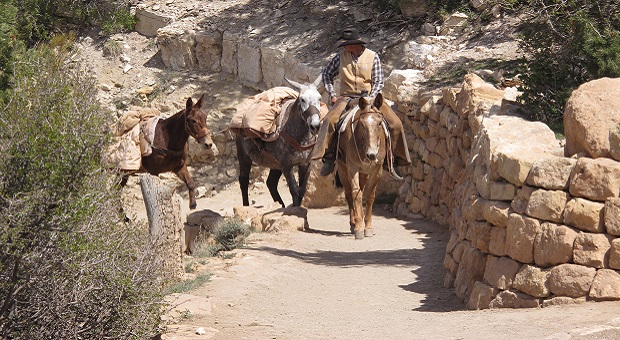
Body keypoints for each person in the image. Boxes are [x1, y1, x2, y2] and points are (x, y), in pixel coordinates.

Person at [318, 26, 411, 179]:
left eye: (345, 44)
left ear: (355, 44)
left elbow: (378, 81)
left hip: (370, 98)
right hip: (346, 98)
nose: (344, 47)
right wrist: (332, 94)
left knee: (395, 123)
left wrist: (371, 99)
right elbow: (327, 74)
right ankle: (329, 157)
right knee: (329, 120)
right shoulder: (340, 57)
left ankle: (392, 159)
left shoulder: (373, 57)